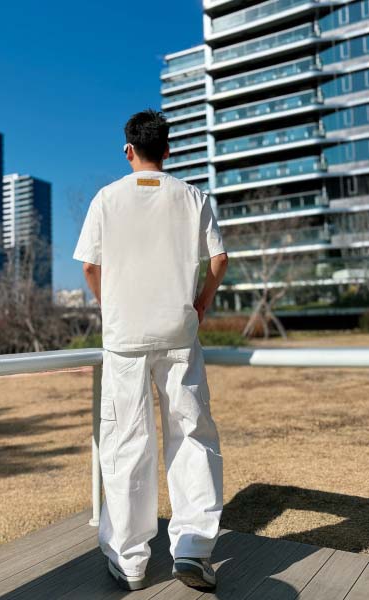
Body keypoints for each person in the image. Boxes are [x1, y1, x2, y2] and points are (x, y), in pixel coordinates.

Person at [72, 109, 228, 591]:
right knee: (192, 434)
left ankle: (131, 560)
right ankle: (193, 549)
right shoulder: (193, 197)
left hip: (125, 338)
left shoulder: (107, 198)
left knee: (127, 442)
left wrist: (113, 306)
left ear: (128, 150)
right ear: (167, 149)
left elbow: (90, 267)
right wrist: (201, 303)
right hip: (178, 332)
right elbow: (219, 259)